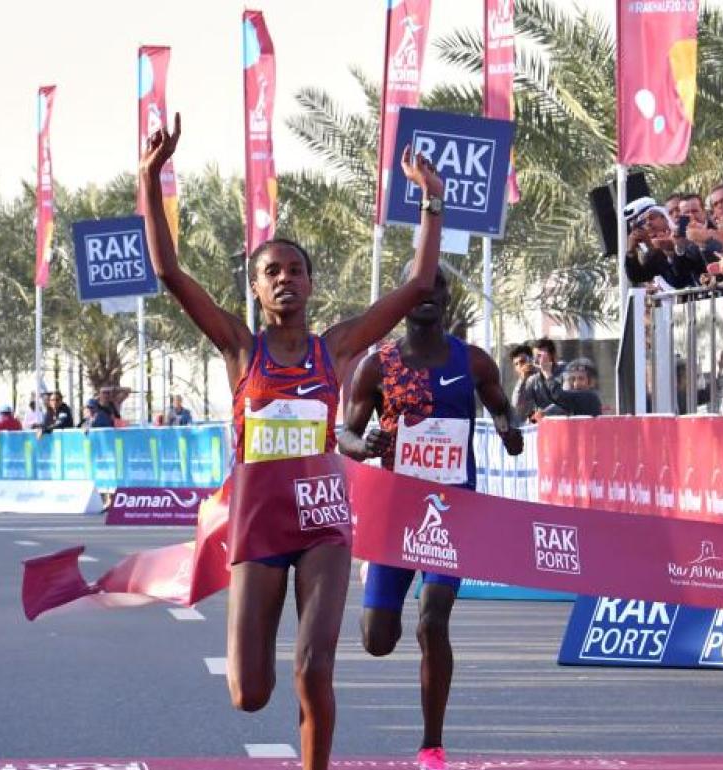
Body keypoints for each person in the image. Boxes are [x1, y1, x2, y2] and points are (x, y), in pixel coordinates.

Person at [140, 112, 442, 770]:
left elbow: (418, 285)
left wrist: (431, 200)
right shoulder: (237, 347)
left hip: (322, 520)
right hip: (257, 521)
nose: (285, 279)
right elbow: (168, 273)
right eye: (272, 271)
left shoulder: (332, 349)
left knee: (314, 666)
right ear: (255, 287)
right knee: (250, 693)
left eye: (296, 270)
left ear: (310, 284)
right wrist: (150, 177)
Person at [337, 268, 523, 770]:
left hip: (452, 509)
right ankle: (373, 577)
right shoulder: (378, 366)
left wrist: (510, 432)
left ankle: (431, 744)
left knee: (432, 620)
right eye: (416, 290)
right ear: (401, 300)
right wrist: (364, 444)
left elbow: (504, 410)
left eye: (435, 290)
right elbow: (346, 435)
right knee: (378, 640)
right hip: (394, 511)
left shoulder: (474, 361)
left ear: (445, 298)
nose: (426, 298)